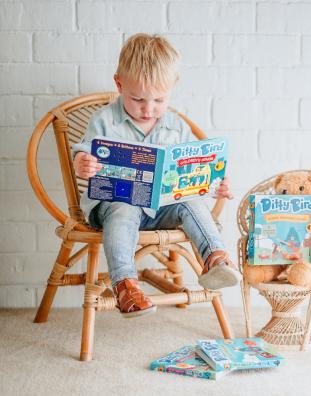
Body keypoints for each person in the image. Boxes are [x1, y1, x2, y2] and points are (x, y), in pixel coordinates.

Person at [72, 33, 241, 318]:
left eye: (159, 100)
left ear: (173, 87)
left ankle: (215, 259)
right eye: (137, 99)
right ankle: (125, 285)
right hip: (115, 206)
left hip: (159, 207)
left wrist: (213, 186)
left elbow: (190, 173)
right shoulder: (103, 120)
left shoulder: (176, 126)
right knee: (124, 209)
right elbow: (84, 150)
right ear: (119, 84)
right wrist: (82, 163)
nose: (148, 109)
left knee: (193, 204)